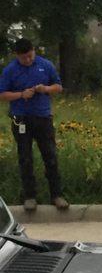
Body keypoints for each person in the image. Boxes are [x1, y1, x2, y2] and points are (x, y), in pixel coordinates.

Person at [0, 38, 68, 211]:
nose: (28, 60)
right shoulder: (10, 70)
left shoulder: (46, 65)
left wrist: (45, 89)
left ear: (34, 51)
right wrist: (21, 95)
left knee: (50, 156)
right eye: (24, 58)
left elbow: (58, 87)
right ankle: (30, 196)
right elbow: (3, 94)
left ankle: (57, 195)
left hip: (43, 118)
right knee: (25, 158)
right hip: (21, 118)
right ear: (17, 56)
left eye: (30, 56)